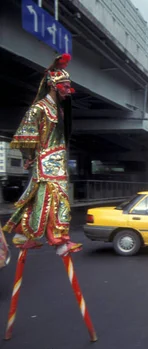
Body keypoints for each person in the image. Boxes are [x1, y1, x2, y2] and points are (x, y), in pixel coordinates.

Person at [2, 54, 81, 256]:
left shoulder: (58, 110)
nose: (68, 90)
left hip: (57, 161)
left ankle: (23, 234)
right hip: (46, 161)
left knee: (41, 200)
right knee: (56, 200)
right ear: (54, 86)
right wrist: (29, 156)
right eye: (65, 86)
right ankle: (59, 240)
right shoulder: (38, 109)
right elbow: (25, 135)